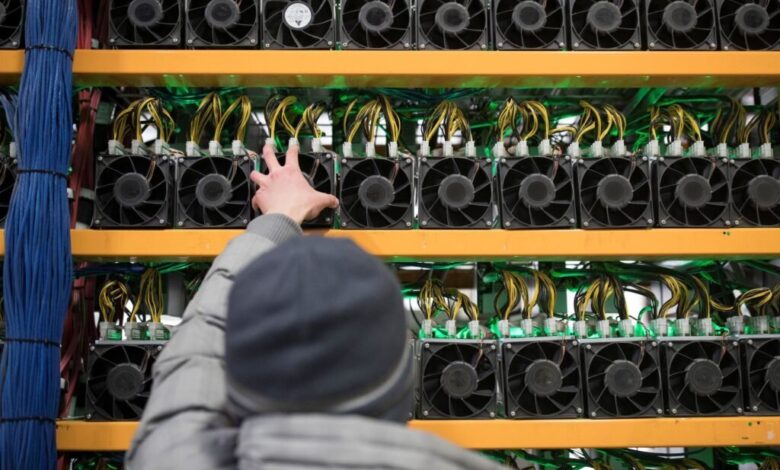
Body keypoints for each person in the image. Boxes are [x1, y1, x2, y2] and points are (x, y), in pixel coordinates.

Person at [126, 144, 502, 470]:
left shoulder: (172, 458)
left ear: (239, 385)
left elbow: (199, 346)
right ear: (409, 376)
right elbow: (200, 348)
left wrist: (279, 217)